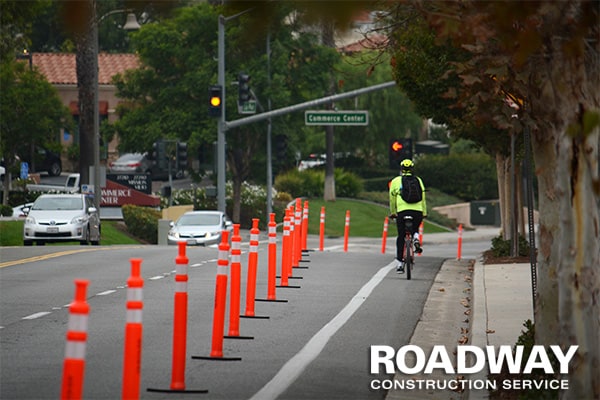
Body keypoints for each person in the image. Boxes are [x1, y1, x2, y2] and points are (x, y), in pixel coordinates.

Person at [389, 159, 427, 273]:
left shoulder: (396, 181)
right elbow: (423, 198)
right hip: (417, 211)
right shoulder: (418, 180)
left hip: (402, 211)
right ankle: (415, 237)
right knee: (415, 227)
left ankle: (400, 263)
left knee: (401, 236)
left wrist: (393, 212)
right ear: (412, 169)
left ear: (401, 169)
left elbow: (392, 199)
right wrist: (424, 212)